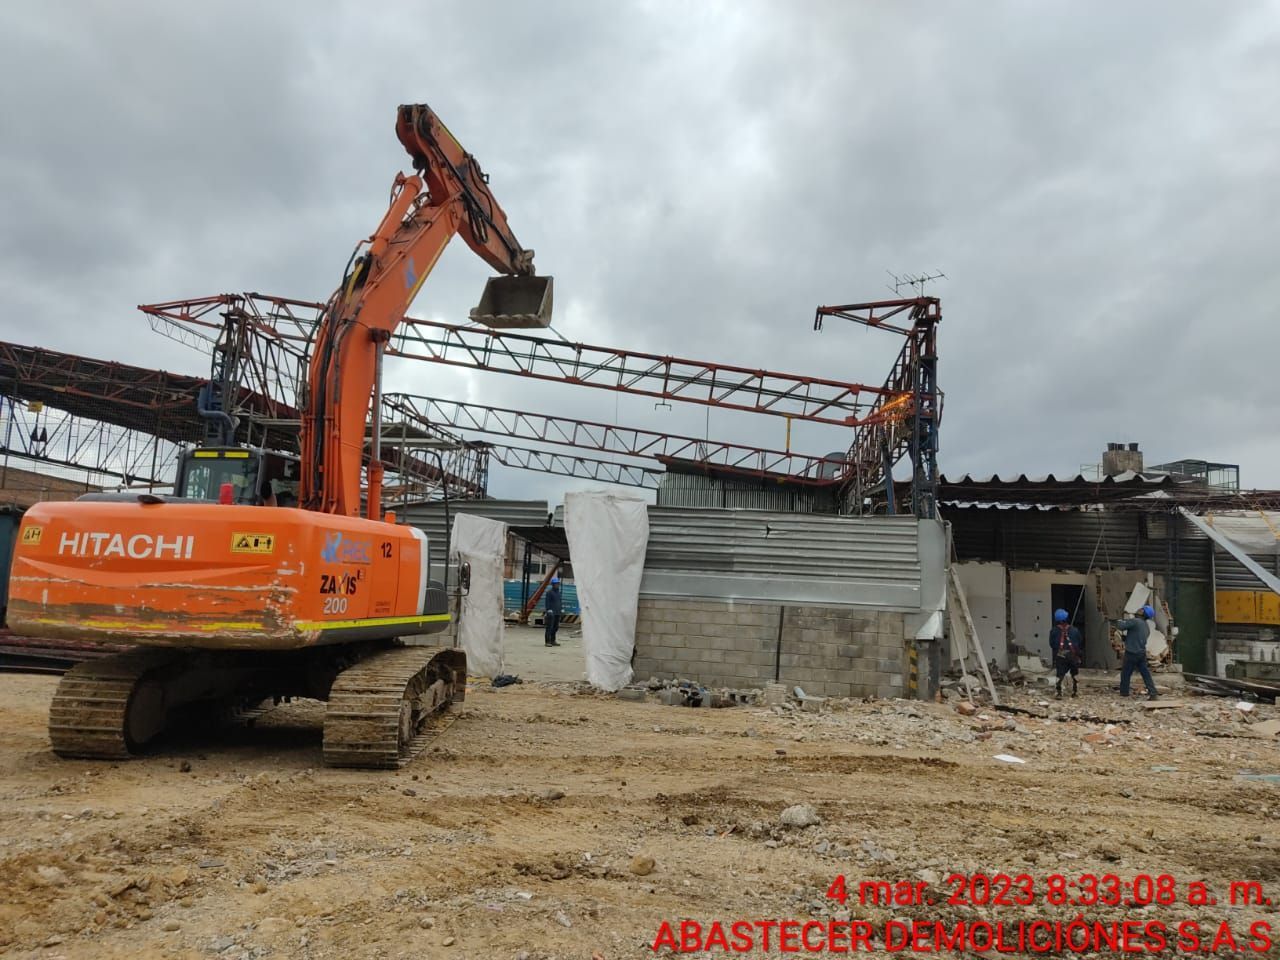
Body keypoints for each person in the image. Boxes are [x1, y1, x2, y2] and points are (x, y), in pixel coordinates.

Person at [1113, 605, 1159, 700]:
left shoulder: (1135, 621)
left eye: (1142, 609)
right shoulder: (1146, 626)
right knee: (1145, 674)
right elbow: (1136, 637)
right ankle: (1153, 692)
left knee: (1126, 673)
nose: (1139, 609)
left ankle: (1124, 692)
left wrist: (1116, 620)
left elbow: (1121, 626)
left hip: (1131, 652)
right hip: (1141, 653)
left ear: (1143, 612)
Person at [1049, 608, 1083, 699]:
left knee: (1060, 673)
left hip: (1060, 654)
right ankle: (1074, 692)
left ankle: (1059, 692)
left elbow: (1052, 644)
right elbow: (1080, 642)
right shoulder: (1075, 630)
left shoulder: (1054, 631)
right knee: (1074, 673)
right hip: (1073, 655)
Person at [544, 576, 563, 647]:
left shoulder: (558, 592)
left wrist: (561, 609)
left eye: (558, 583)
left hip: (557, 612)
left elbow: (559, 602)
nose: (557, 585)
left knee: (556, 627)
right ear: (552, 584)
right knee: (549, 627)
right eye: (556, 584)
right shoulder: (549, 592)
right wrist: (548, 610)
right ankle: (547, 641)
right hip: (551, 613)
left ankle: (553, 640)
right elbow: (547, 602)